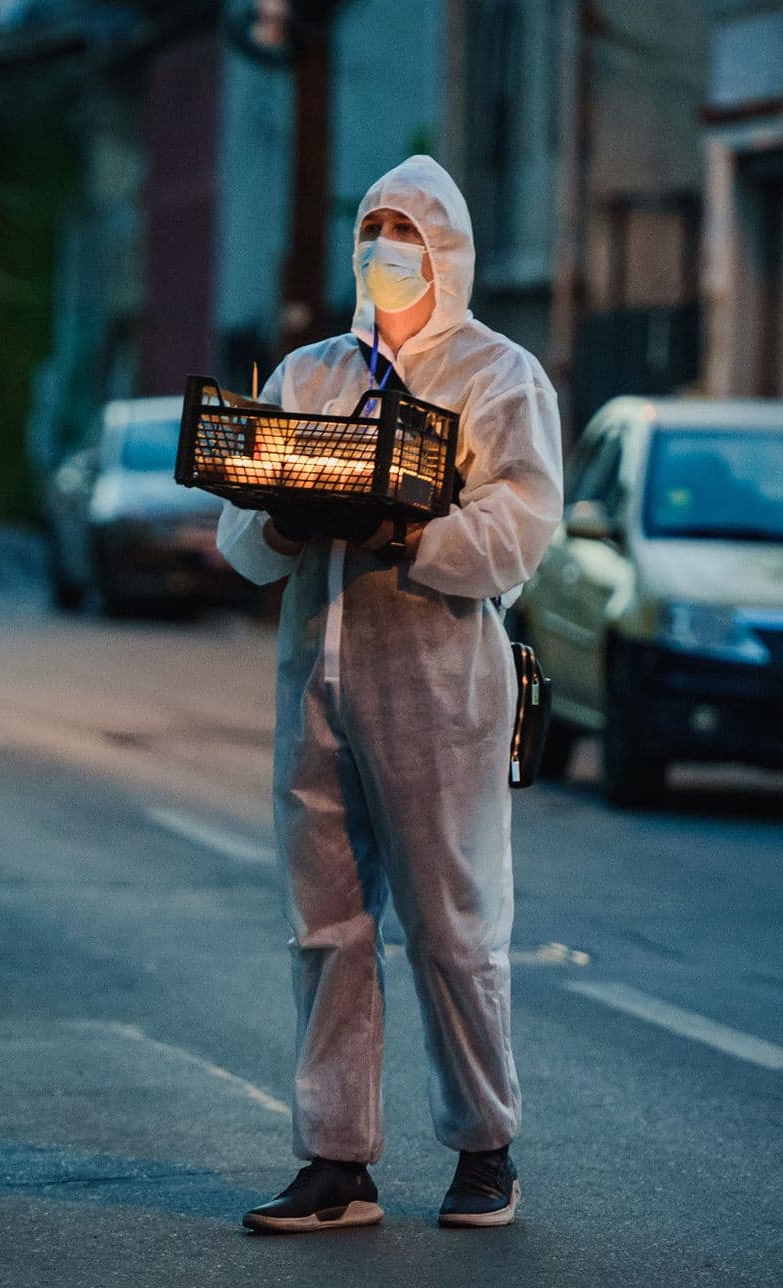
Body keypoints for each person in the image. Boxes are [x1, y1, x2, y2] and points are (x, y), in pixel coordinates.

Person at [218, 156, 563, 1232]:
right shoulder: (310, 373)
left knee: (453, 923)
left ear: (445, 249)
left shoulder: (499, 377)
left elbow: (523, 527)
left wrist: (413, 530)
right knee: (326, 925)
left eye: (404, 231)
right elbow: (242, 531)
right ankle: (335, 1160)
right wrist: (282, 519)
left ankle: (484, 1147)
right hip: (315, 673)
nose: (385, 250)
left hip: (440, 682)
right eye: (371, 229)